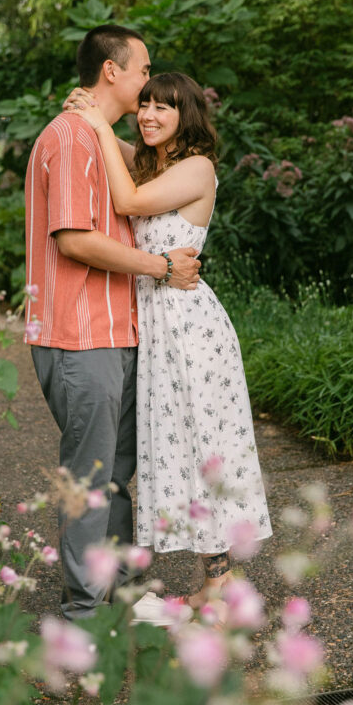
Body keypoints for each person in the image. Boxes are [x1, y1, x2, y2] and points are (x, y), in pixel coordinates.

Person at [68, 71, 272, 608]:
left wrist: (96, 124)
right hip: (157, 324)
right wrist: (93, 114)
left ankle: (222, 583)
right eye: (145, 106)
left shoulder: (197, 168)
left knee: (204, 444)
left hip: (188, 328)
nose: (150, 115)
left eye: (164, 108)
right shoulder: (153, 161)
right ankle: (214, 581)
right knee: (176, 447)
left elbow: (130, 201)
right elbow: (120, 155)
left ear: (188, 116)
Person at [24, 26, 201, 621]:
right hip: (80, 338)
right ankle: (83, 615)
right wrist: (160, 266)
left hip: (118, 333)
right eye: (143, 69)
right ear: (111, 72)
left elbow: (144, 185)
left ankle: (122, 594)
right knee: (90, 480)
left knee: (122, 477)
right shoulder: (72, 139)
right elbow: (74, 240)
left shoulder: (96, 139)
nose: (149, 81)